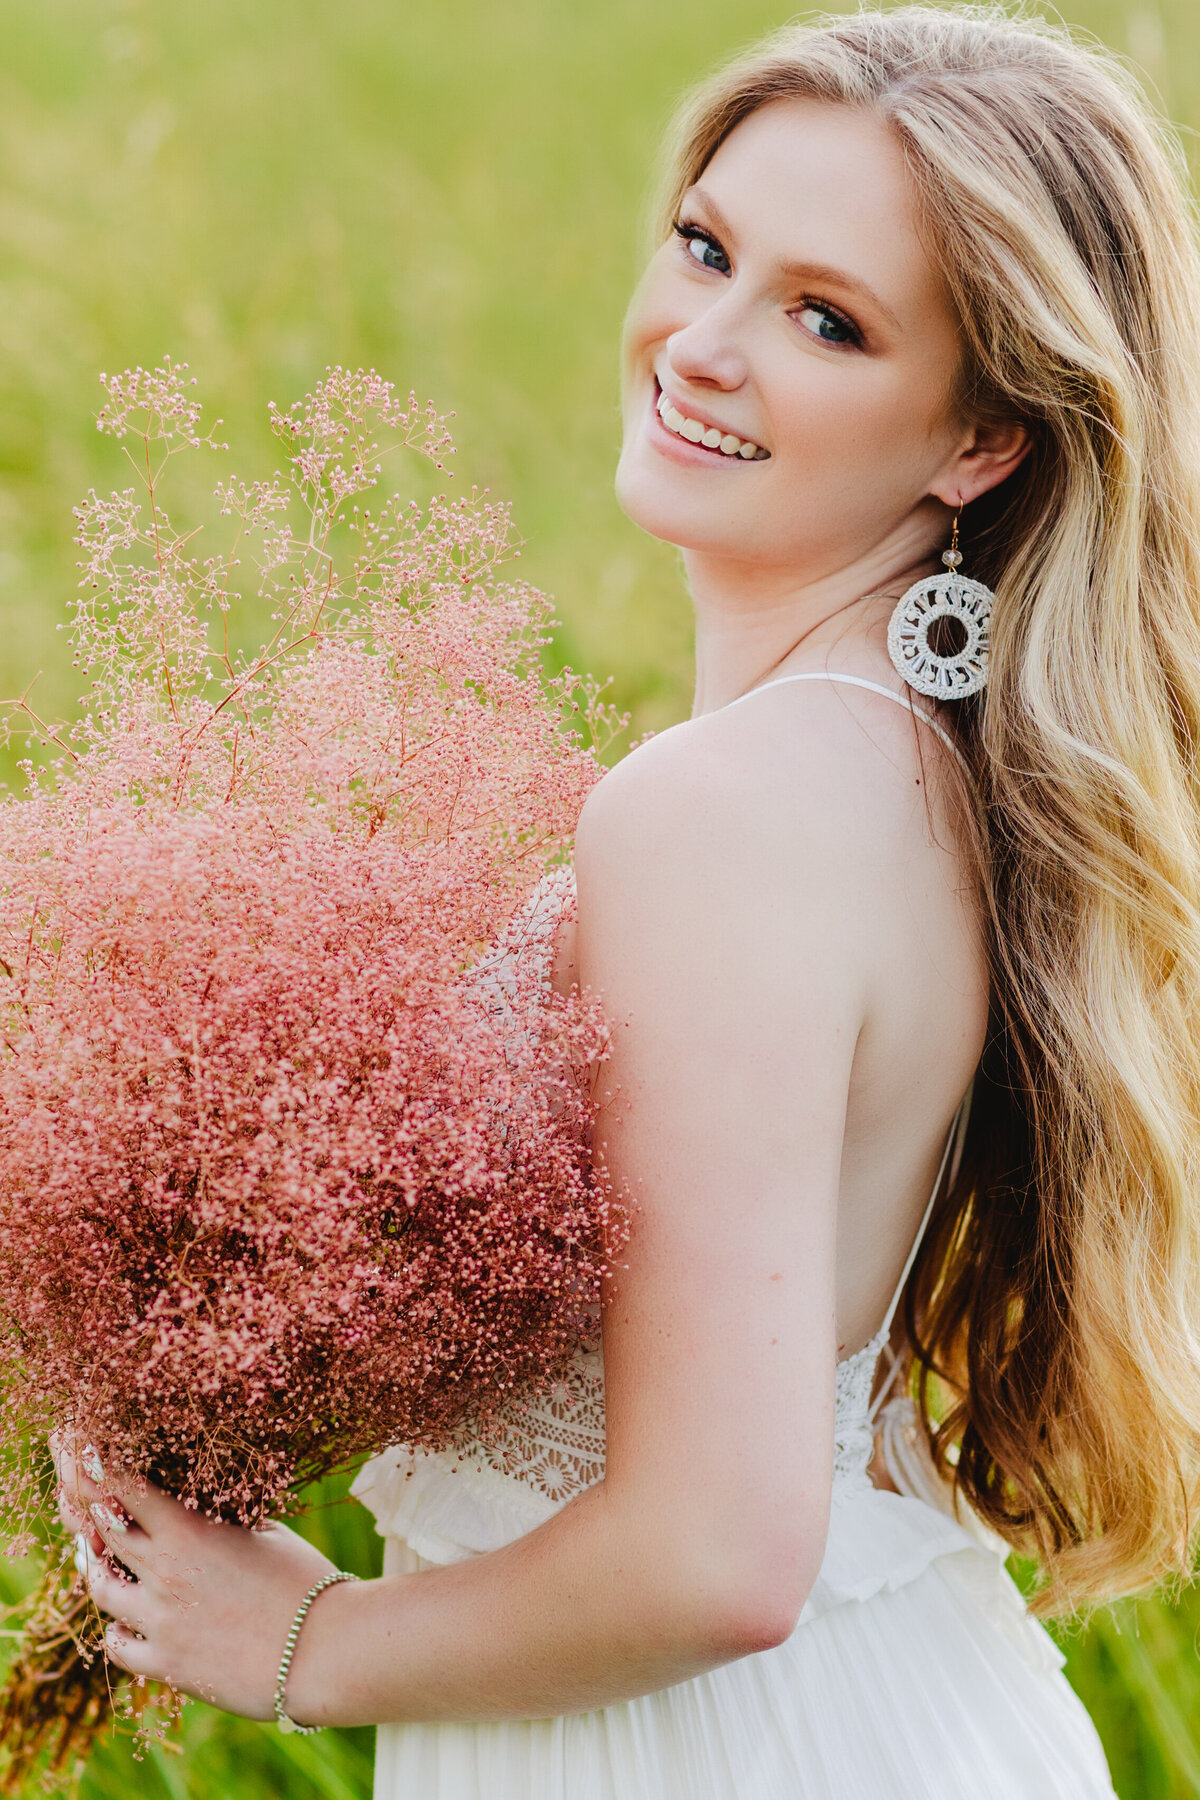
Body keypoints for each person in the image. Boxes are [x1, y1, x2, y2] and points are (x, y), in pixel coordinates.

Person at [55, 6, 1200, 1793]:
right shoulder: (942, 778)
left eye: (828, 319)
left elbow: (721, 1551)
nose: (703, 345)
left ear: (979, 441)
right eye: (707, 247)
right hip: (874, 1698)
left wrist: (299, 1646)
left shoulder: (724, 813)